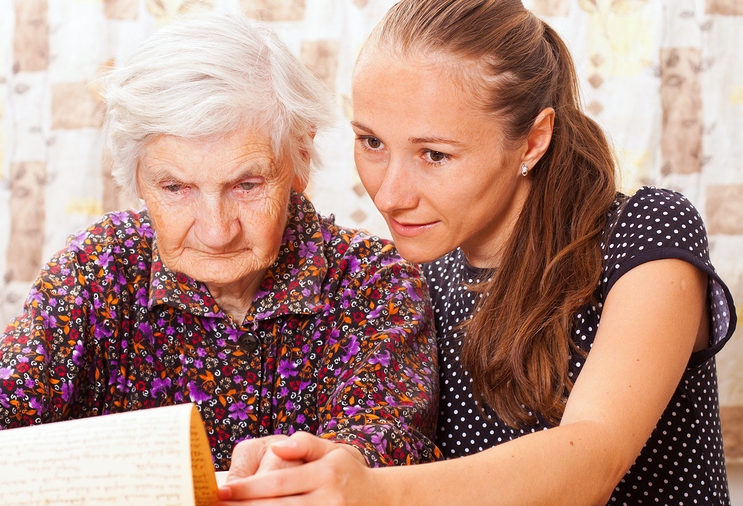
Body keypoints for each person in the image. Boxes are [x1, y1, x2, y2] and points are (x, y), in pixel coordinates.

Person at [216, 0, 737, 504]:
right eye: (372, 142)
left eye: (435, 154)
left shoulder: (646, 233)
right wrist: (315, 471)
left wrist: (374, 492)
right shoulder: (415, 278)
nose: (391, 194)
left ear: (533, 142)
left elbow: (593, 458)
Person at [0, 12, 440, 472]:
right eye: (175, 188)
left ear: (298, 160)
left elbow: (385, 450)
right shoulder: (99, 266)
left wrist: (330, 467)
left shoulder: (376, 283)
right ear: (137, 178)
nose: (217, 229)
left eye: (247, 185)